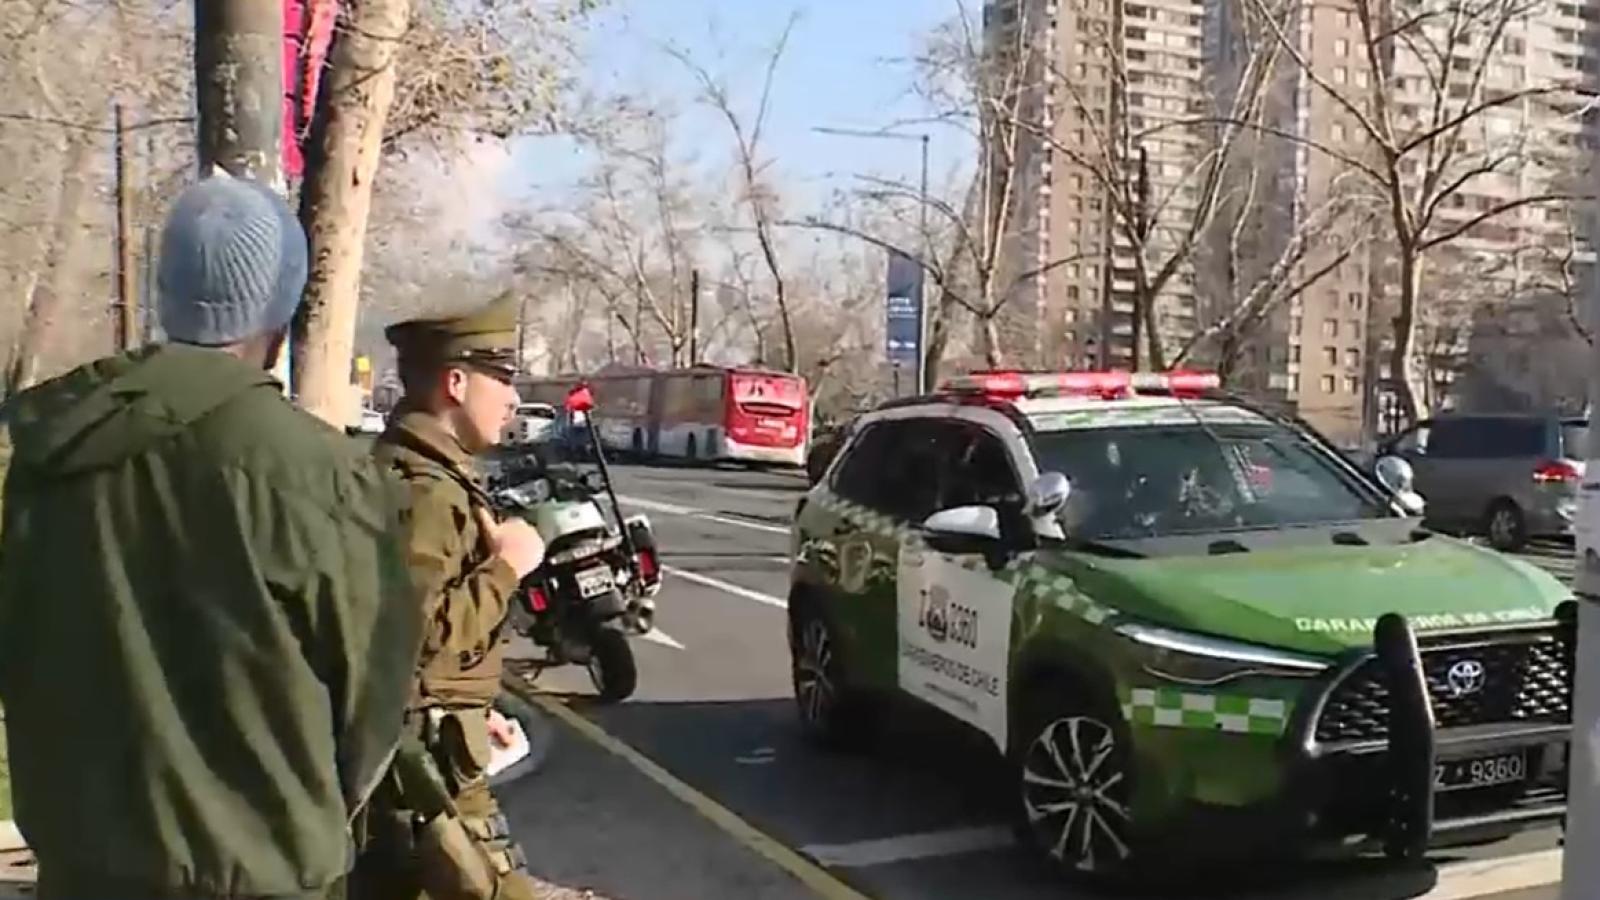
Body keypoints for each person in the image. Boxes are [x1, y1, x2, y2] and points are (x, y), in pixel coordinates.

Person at [0, 172, 419, 899]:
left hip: (82, 874)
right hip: (260, 875)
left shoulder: (45, 458)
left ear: (166, 294)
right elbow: (373, 708)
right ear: (280, 316)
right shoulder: (324, 475)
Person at [353, 293, 546, 899]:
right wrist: (510, 566)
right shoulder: (426, 492)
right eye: (503, 379)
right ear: (456, 383)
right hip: (425, 773)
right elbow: (418, 634)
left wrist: (466, 707)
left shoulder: (427, 473)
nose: (514, 398)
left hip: (430, 750)